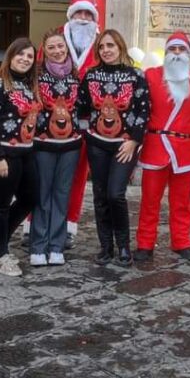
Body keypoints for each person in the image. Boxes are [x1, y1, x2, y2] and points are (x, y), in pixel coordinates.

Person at [77, 29, 149, 267]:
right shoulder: (91, 75)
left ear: (120, 47)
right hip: (98, 144)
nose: (106, 50)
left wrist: (133, 140)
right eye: (101, 46)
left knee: (115, 194)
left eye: (110, 45)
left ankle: (124, 246)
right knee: (99, 195)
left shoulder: (135, 75)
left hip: (124, 145)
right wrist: (87, 133)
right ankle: (105, 247)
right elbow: (82, 107)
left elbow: (143, 111)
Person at [135, 32, 190, 262]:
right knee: (150, 200)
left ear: (188, 54)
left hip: (185, 149)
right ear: (165, 53)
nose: (176, 54)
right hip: (156, 146)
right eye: (172, 49)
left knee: (182, 202)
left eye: (181, 49)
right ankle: (145, 243)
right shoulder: (151, 76)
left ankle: (181, 241)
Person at [0, 38, 40, 277]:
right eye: (20, 54)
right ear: (10, 56)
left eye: (29, 56)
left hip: (25, 150)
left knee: (30, 197)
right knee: (0, 205)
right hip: (2, 152)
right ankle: (1, 256)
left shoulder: (28, 84)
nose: (25, 59)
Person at [30, 31, 82, 267]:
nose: (57, 51)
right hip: (43, 144)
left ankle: (56, 246)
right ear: (45, 50)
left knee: (62, 196)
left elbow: (85, 107)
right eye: (51, 47)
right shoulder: (36, 76)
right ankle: (38, 245)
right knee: (42, 196)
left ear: (67, 48)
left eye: (60, 46)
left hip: (70, 145)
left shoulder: (77, 75)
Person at [61, 0, 101, 243]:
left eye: (89, 15)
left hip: (87, 126)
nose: (84, 19)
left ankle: (68, 226)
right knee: (47, 176)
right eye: (79, 14)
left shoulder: (102, 46)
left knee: (77, 177)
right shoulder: (55, 41)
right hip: (54, 124)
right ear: (71, 16)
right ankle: (33, 223)